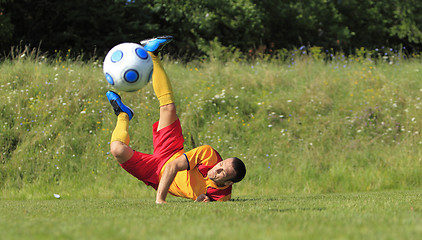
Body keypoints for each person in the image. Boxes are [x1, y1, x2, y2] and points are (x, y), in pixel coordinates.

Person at [106, 36, 246, 203]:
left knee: (117, 150)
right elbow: (172, 166)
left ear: (228, 182)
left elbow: (203, 198)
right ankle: (152, 54)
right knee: (168, 108)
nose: (216, 169)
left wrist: (201, 200)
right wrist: (160, 199)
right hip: (172, 154)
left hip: (155, 174)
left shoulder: (222, 197)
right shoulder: (209, 155)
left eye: (221, 173)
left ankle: (123, 115)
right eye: (221, 165)